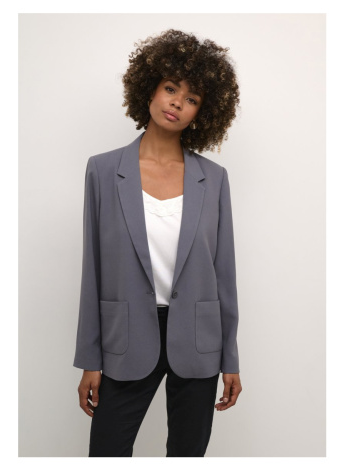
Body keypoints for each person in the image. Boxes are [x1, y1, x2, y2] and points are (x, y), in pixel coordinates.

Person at [74, 28, 243, 457]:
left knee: (188, 454)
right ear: (149, 88)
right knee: (107, 452)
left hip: (199, 342)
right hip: (127, 338)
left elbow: (224, 273)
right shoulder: (103, 171)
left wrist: (231, 358)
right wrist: (90, 359)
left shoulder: (214, 179)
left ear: (202, 112)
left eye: (192, 98)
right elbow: (93, 270)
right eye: (171, 88)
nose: (177, 103)